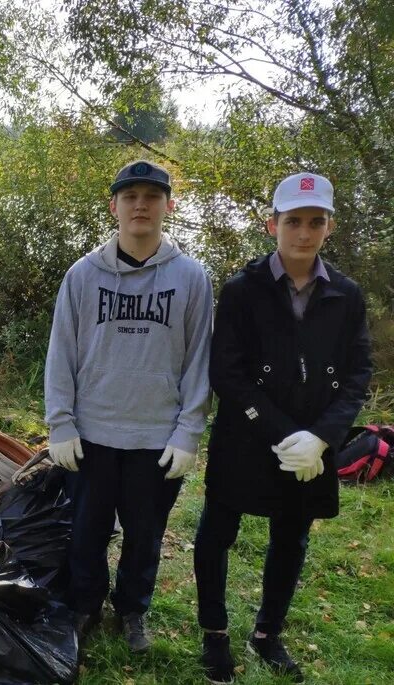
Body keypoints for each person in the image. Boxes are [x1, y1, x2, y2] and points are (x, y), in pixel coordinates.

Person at [20, 160, 214, 653]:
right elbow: (60, 355)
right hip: (91, 433)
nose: (141, 205)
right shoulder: (82, 277)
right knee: (85, 532)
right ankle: (85, 605)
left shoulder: (192, 278)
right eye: (131, 196)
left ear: (169, 205)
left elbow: (199, 363)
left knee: (145, 536)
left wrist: (188, 433)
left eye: (152, 196)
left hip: (156, 436)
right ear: (114, 206)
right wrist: (60, 424)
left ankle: (132, 610)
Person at [194, 173, 372, 684]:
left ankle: (268, 633)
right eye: (293, 221)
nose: (304, 232)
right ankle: (215, 635)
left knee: (291, 538)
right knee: (215, 534)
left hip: (314, 444)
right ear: (272, 224)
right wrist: (279, 432)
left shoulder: (346, 294)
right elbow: (226, 371)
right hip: (245, 437)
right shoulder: (242, 290)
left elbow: (359, 372)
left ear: (328, 227)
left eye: (315, 221)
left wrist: (322, 437)